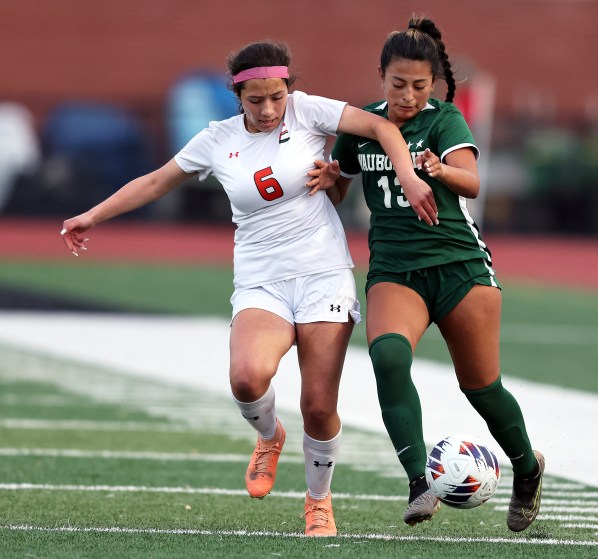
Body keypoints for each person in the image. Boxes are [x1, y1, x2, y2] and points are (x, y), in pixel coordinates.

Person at [60, 40, 438, 537]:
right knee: (246, 377)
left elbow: (382, 126)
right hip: (261, 277)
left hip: (323, 271)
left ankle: (318, 502)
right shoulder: (216, 140)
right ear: (237, 95)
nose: (268, 109)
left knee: (319, 405)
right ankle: (269, 436)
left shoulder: (307, 112)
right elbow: (156, 182)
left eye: (276, 97)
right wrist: (93, 215)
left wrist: (407, 176)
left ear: (289, 88)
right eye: (255, 99)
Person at [309, 16, 544, 533]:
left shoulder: (445, 120)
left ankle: (527, 469)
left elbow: (473, 183)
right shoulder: (364, 126)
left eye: (420, 85)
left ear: (434, 84)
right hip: (395, 268)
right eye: (398, 84)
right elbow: (343, 182)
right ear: (381, 76)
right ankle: (419, 483)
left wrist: (438, 170)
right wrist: (330, 179)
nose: (409, 96)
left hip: (459, 266)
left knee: (480, 386)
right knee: (388, 356)